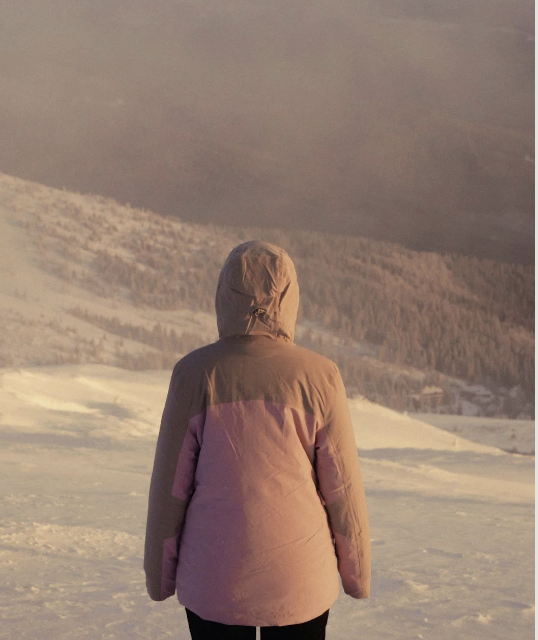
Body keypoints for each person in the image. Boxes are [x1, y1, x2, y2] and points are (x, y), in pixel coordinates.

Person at [144, 240, 371, 639]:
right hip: (299, 576)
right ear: (290, 298)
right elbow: (343, 488)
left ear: (223, 296)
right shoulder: (320, 376)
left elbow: (169, 488)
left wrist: (159, 576)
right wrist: (358, 575)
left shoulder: (194, 373)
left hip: (214, 579)